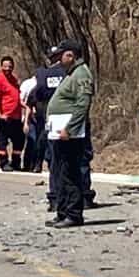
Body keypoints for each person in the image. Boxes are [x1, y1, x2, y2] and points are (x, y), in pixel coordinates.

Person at [45, 41, 94, 227]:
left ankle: (73, 214)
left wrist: (70, 128)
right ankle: (62, 211)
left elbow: (83, 104)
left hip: (71, 134)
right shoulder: (71, 74)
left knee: (70, 172)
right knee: (58, 172)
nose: (58, 60)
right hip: (58, 132)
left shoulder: (82, 74)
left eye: (61, 56)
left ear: (71, 55)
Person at [29, 46, 67, 193]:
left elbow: (36, 94)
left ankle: (55, 195)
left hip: (48, 115)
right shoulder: (69, 73)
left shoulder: (42, 74)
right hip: (67, 118)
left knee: (47, 146)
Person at [0, 56, 26, 171]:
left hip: (16, 116)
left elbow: (17, 97)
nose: (7, 69)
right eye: (5, 67)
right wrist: (0, 115)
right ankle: (4, 162)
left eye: (10, 67)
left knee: (19, 140)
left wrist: (26, 107)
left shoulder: (14, 79)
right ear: (1, 67)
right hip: (5, 116)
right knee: (3, 141)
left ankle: (15, 162)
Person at [19, 71, 41, 171]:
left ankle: (36, 164)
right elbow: (20, 100)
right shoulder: (28, 84)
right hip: (29, 118)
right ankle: (27, 164)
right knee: (32, 140)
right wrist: (27, 119)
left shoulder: (42, 84)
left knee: (39, 141)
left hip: (40, 118)